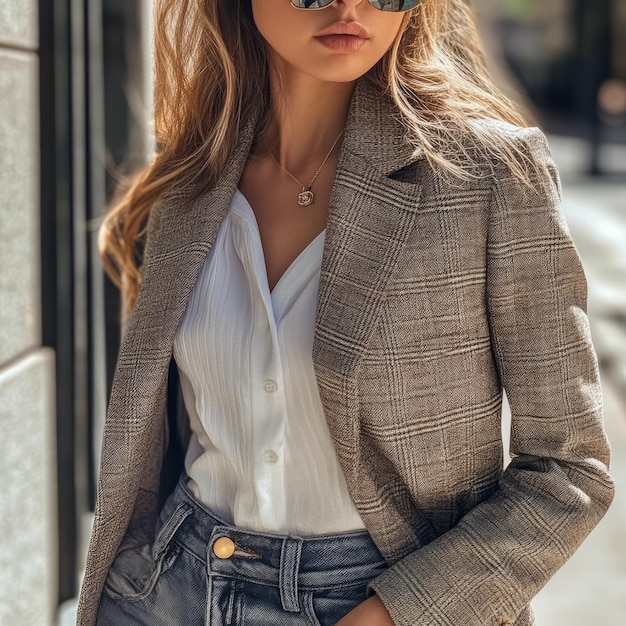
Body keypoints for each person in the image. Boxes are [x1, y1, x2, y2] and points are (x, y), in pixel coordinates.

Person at [77, 0, 615, 624]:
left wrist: (391, 617)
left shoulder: (487, 177)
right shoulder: (191, 182)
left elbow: (567, 470)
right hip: (167, 591)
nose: (350, 6)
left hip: (382, 600)